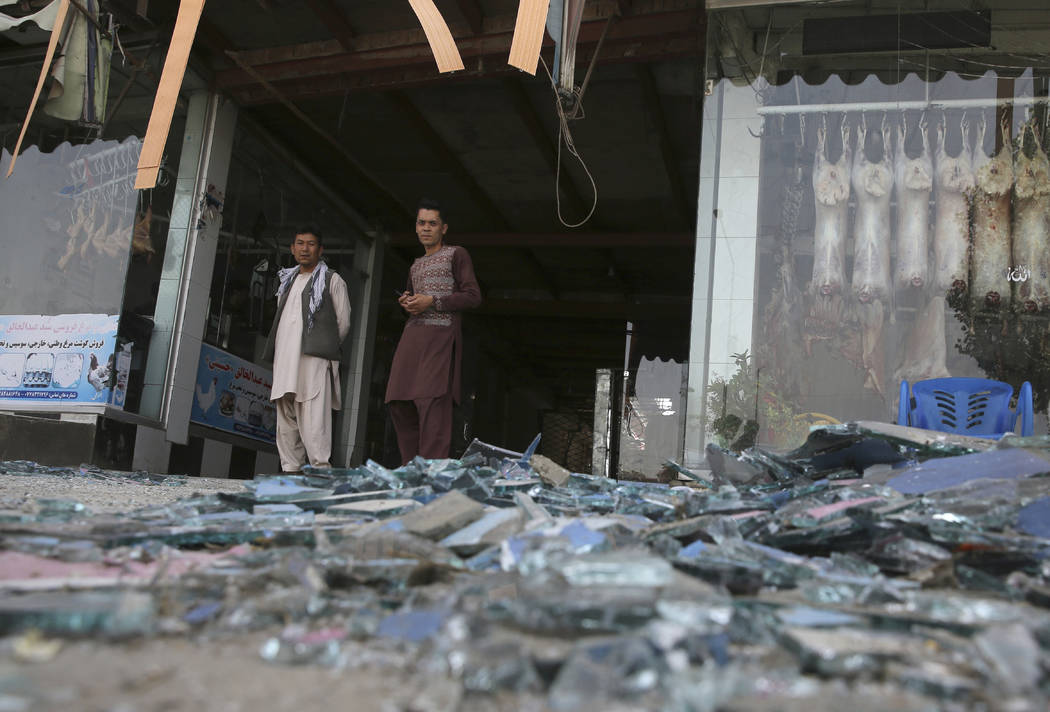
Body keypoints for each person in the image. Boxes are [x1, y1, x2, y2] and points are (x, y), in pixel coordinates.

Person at [385, 198, 481, 464]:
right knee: (398, 401)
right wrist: (408, 302)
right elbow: (414, 300)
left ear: (444, 228)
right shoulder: (415, 264)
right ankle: (410, 469)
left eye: (432, 223)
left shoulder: (456, 254)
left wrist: (434, 301)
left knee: (431, 404)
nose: (426, 228)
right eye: (421, 223)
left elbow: (473, 296)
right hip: (412, 338)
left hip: (441, 339)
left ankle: (431, 472)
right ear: (416, 227)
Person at [263, 224, 351, 472]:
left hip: (314, 361)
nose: (305, 248)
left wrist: (322, 348)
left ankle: (320, 472)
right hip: (285, 361)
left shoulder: (332, 280)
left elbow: (343, 324)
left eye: (310, 244)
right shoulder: (287, 282)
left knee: (314, 420)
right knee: (286, 419)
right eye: (300, 243)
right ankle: (290, 472)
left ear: (320, 249)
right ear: (292, 248)